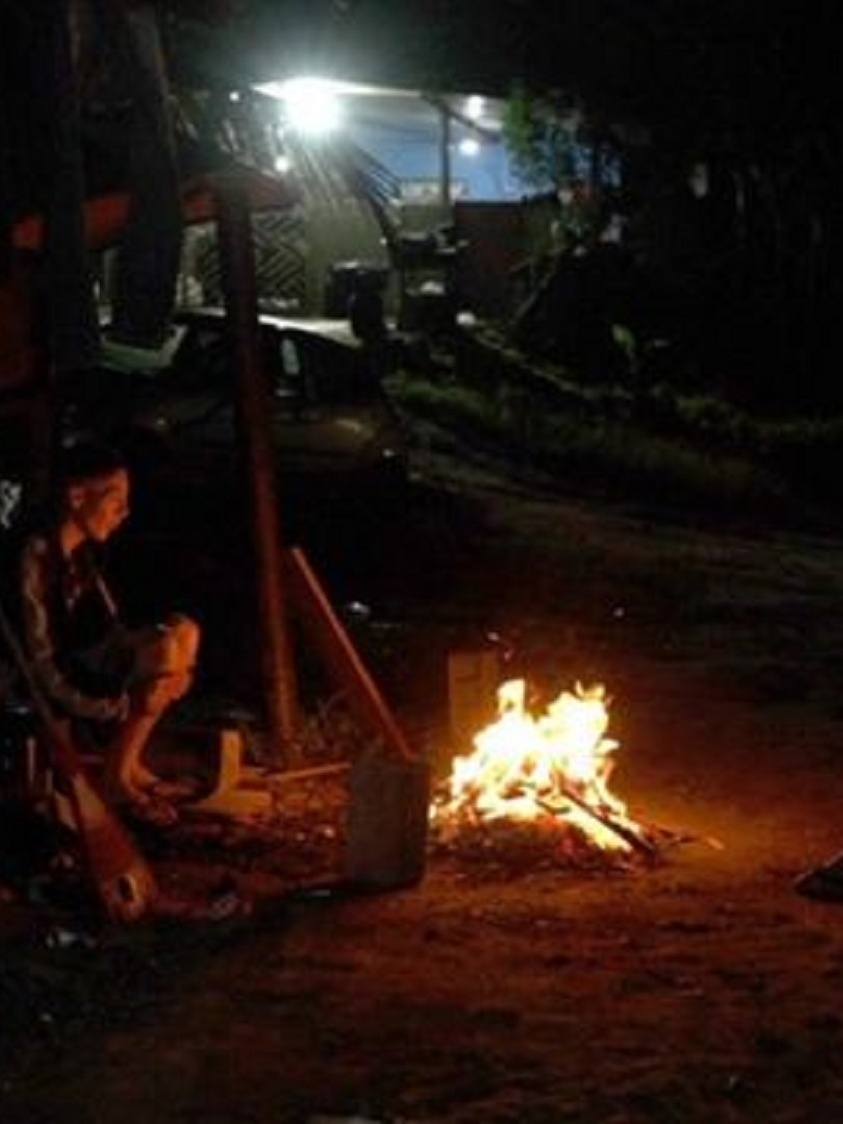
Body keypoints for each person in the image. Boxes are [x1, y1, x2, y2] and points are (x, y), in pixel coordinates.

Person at [11, 440, 200, 823]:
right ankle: (116, 777)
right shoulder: (35, 557)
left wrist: (177, 671)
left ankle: (127, 766)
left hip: (81, 664)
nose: (124, 512)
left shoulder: (82, 555)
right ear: (77, 496)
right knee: (162, 652)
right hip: (41, 681)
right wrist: (115, 704)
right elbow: (40, 661)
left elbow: (109, 630)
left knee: (182, 631)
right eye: (115, 500)